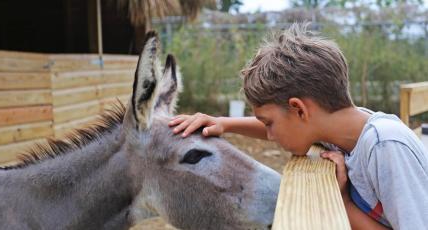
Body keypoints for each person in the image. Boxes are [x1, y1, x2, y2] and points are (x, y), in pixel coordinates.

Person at [168, 23, 428, 229]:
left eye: (269, 123)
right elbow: (290, 127)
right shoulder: (342, 129)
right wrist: (224, 123)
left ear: (299, 109)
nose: (269, 134)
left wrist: (344, 202)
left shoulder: (385, 146)